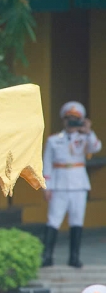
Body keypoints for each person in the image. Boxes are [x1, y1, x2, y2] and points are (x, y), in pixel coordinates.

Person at [42, 101, 101, 268]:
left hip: (78, 184)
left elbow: (96, 147)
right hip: (59, 184)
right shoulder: (54, 140)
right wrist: (47, 186)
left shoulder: (85, 138)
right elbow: (47, 163)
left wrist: (88, 131)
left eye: (76, 119)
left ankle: (74, 258)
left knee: (77, 220)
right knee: (53, 220)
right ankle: (47, 257)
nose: (71, 122)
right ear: (64, 120)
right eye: (69, 119)